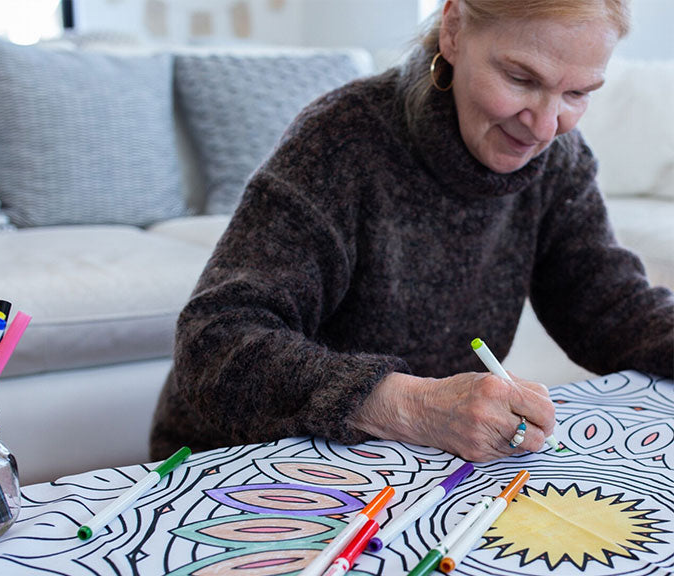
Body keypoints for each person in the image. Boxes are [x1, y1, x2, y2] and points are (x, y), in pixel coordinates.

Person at [150, 0, 673, 463]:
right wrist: (413, 406)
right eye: (520, 78)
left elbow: (609, 308)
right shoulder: (341, 141)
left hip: (407, 463)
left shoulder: (559, 159)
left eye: (578, 92)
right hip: (243, 459)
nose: (544, 127)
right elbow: (213, 343)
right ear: (454, 31)